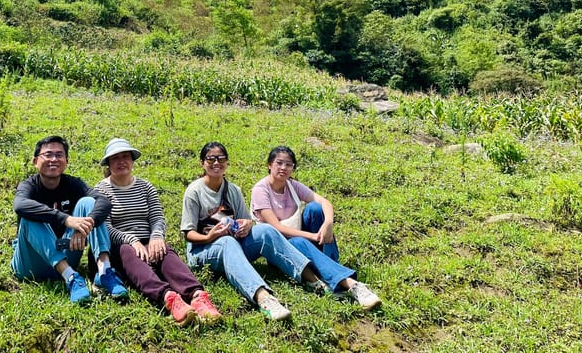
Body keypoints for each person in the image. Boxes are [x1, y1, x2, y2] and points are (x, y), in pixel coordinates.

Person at [180, 141, 329, 321]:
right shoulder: (194, 191)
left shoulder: (233, 190)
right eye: (211, 159)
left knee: (265, 229)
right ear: (202, 163)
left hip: (232, 244)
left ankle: (312, 279)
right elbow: (188, 233)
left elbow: (246, 219)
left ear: (227, 163)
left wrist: (246, 225)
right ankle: (263, 298)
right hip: (202, 250)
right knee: (228, 242)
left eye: (221, 159)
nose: (216, 163)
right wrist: (210, 236)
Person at [94, 138, 223, 326]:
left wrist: (156, 237)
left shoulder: (146, 187)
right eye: (115, 158)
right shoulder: (101, 190)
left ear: (132, 160)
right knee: (128, 253)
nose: (121, 162)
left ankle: (197, 296)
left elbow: (157, 218)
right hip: (120, 243)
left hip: (148, 237)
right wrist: (131, 240)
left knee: (166, 253)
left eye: (125, 157)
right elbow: (105, 227)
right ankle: (169, 298)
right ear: (108, 163)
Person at [250, 145, 381, 310]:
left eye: (288, 164)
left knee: (315, 209)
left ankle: (330, 266)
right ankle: (353, 285)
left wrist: (328, 224)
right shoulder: (260, 190)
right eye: (279, 163)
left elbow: (325, 202)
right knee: (297, 241)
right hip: (279, 250)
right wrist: (311, 236)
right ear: (269, 165)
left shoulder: (292, 185)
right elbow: (276, 227)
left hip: (300, 239)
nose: (283, 168)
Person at [11, 134, 128, 305]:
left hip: (66, 251)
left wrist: (83, 227)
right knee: (30, 215)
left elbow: (104, 202)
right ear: (35, 161)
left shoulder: (74, 184)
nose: (54, 159)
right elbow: (20, 205)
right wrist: (66, 220)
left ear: (66, 161)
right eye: (48, 154)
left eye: (59, 155)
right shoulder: (28, 186)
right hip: (30, 264)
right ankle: (71, 278)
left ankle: (104, 271)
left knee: (89, 203)